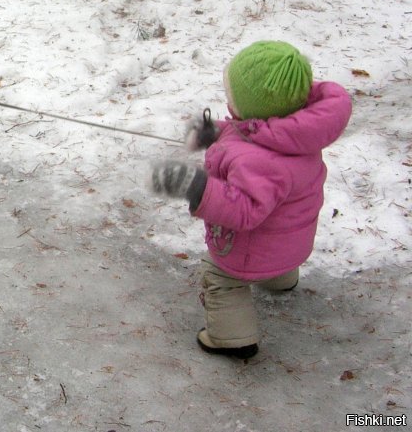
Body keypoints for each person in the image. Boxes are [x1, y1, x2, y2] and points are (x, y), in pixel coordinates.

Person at [148, 40, 352, 358]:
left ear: (252, 106)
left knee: (219, 276)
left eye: (232, 98)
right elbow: (248, 130)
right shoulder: (294, 135)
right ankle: (280, 279)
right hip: (292, 242)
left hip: (251, 249)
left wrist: (197, 186)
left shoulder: (257, 161)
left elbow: (243, 210)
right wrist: (214, 132)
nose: (228, 104)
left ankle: (232, 338)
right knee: (276, 246)